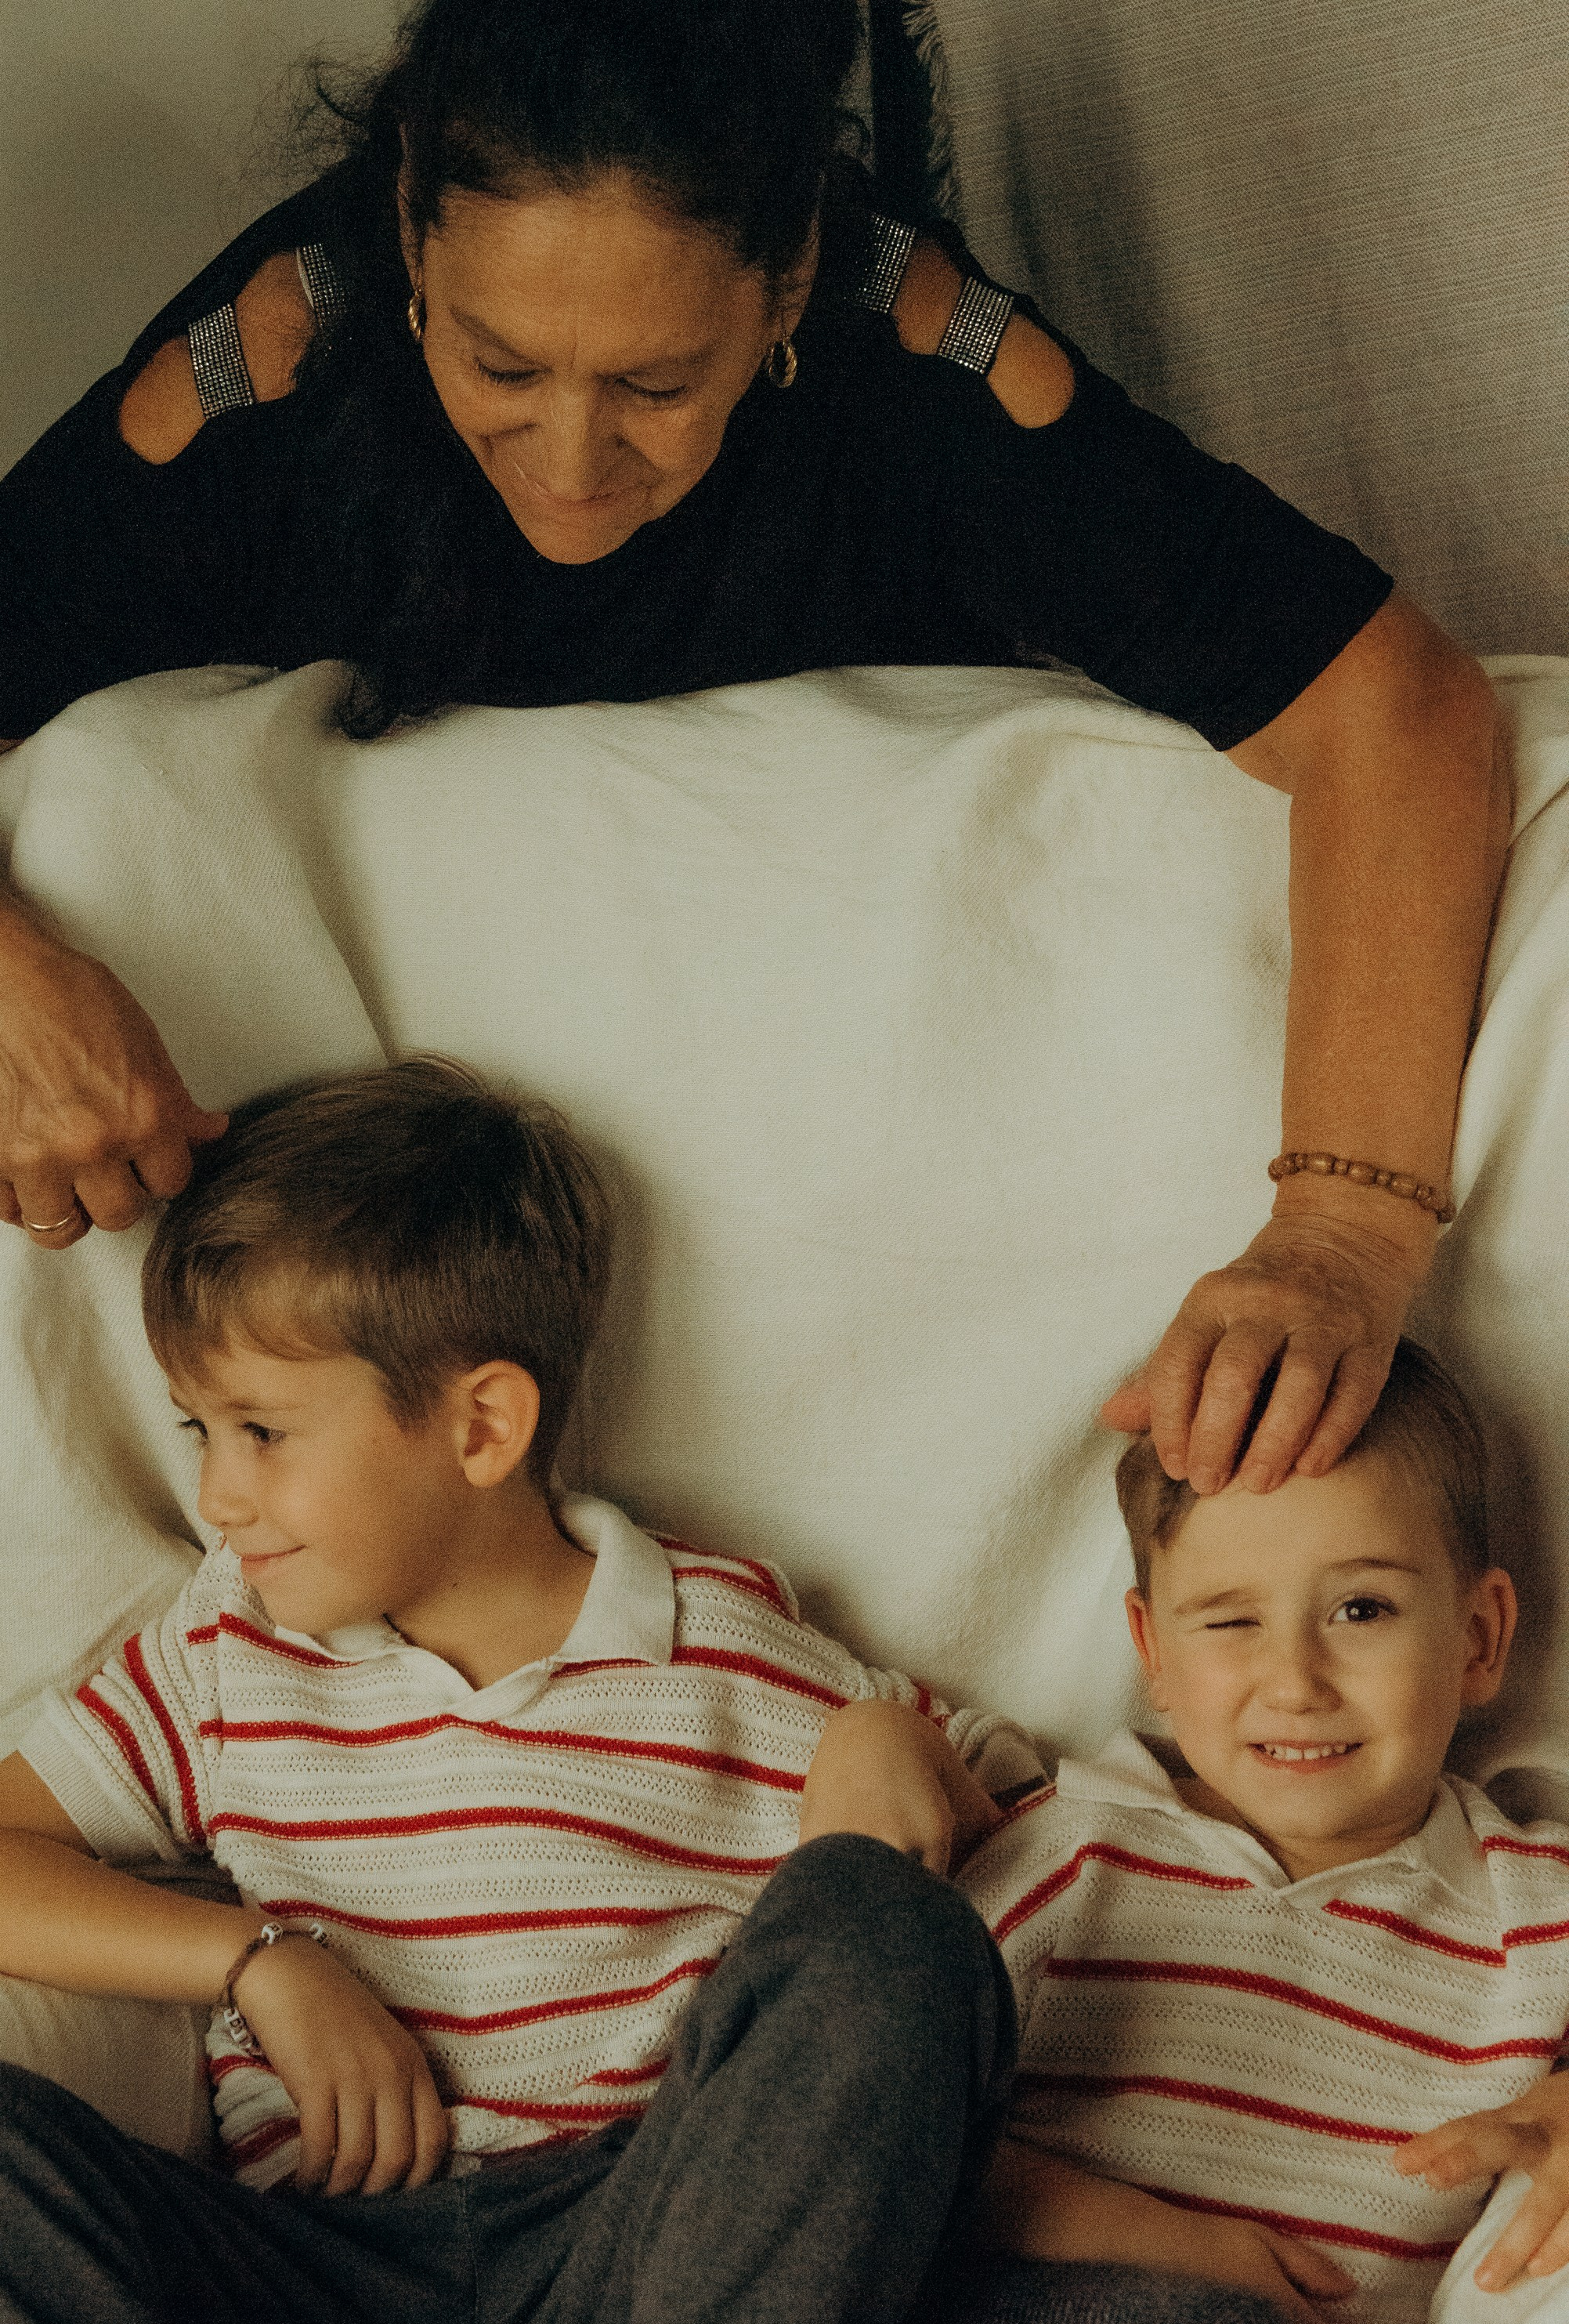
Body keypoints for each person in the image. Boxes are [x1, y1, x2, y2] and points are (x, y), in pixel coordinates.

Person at [0, 0, 1508, 1503]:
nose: (573, 461)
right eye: (501, 366)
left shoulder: (904, 341)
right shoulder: (285, 348)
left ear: (788, 286)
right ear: (411, 231)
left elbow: (1395, 707)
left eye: (656, 387)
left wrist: (1342, 1235)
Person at [0, 1055, 1311, 2324]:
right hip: (307, 2273)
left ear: (480, 1428)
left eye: (262, 1432)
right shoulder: (222, 1649)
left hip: (656, 2253)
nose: (219, 1498)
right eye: (199, 1434)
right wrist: (253, 1961)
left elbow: (1021, 1842)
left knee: (919, 1976)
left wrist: (882, 1738)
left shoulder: (728, 1646)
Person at [956, 1340, 1569, 2324]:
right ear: (1153, 1651)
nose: (1296, 1682)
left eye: (1361, 1609)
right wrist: (1170, 2247)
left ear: (1478, 1638)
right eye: (1231, 1620)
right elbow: (877, 2147)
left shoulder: (1535, 1906)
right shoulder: (1067, 1847)